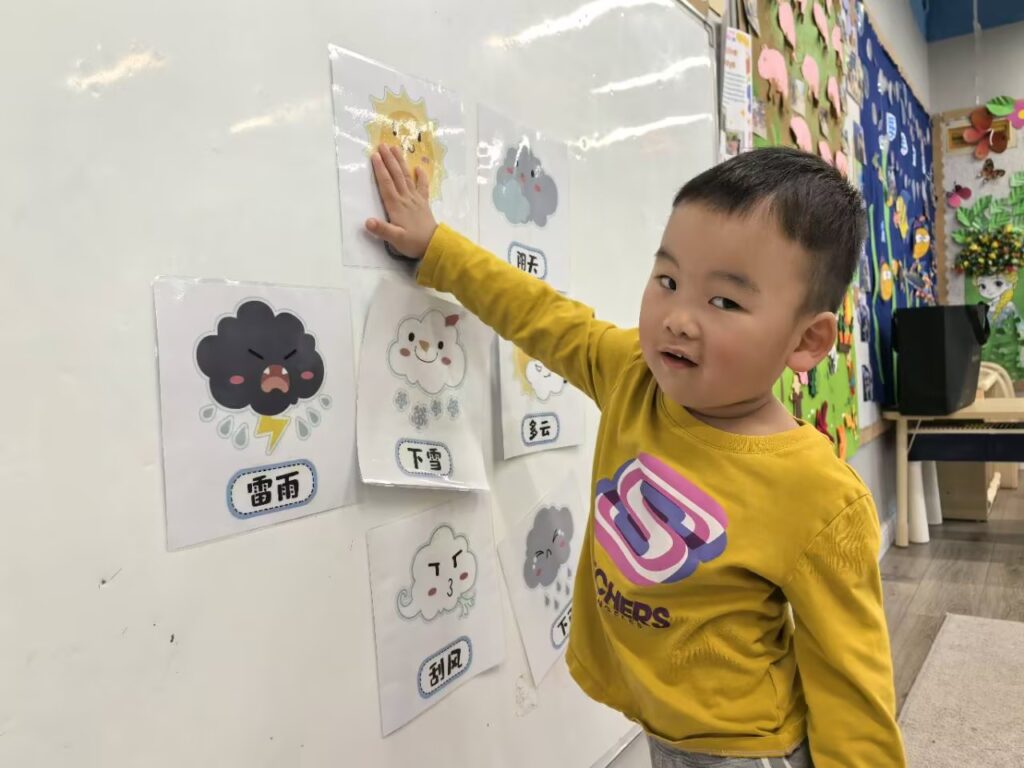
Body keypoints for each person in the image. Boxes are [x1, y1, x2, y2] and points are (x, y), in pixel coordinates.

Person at [365, 144, 905, 767]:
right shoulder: (632, 377)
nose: (678, 319)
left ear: (806, 340)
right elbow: (541, 316)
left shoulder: (819, 496)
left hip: (746, 750)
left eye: (724, 302)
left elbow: (854, 691)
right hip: (663, 728)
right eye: (668, 282)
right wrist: (436, 248)